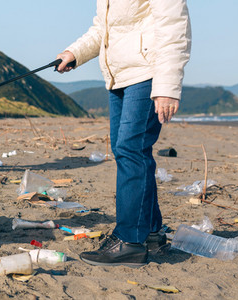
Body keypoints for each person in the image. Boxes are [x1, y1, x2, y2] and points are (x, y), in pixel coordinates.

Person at [55, 0, 191, 266]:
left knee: (131, 149)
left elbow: (175, 27)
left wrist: (167, 86)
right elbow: (103, 29)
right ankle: (151, 232)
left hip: (147, 74)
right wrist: (74, 52)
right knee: (126, 150)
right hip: (119, 77)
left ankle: (129, 240)